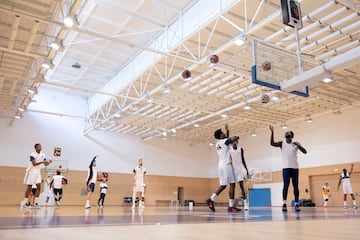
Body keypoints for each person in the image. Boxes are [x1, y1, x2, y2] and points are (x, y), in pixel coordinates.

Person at [269, 125, 307, 212]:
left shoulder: (295, 144)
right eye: (286, 137)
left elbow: (305, 152)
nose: (287, 138)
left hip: (295, 168)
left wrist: (298, 145)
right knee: (286, 185)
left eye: (289, 137)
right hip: (286, 168)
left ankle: (297, 204)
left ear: (292, 137)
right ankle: (284, 203)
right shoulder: (282, 144)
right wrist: (272, 132)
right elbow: (272, 143)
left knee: (295, 186)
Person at [206, 124, 240, 212]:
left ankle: (211, 199)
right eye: (222, 133)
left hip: (220, 165)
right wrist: (233, 139)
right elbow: (236, 137)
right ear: (220, 135)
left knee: (223, 185)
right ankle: (231, 206)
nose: (223, 133)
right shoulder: (225, 141)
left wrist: (228, 131)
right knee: (232, 184)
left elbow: (227, 140)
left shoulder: (218, 143)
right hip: (227, 165)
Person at [23, 143, 52, 208]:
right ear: (35, 148)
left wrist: (49, 162)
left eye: (40, 146)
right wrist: (42, 162)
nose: (40, 147)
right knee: (29, 188)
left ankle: (35, 203)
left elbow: (45, 164)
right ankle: (25, 203)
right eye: (38, 146)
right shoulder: (32, 154)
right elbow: (34, 164)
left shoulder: (43, 155)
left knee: (39, 187)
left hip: (38, 172)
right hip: (31, 172)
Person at [230, 139, 250, 210]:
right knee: (232, 187)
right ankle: (231, 205)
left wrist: (247, 170)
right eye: (233, 142)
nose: (234, 142)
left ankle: (245, 204)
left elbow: (243, 160)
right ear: (231, 143)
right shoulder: (229, 150)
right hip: (233, 171)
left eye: (235, 141)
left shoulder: (240, 149)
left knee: (242, 186)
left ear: (237, 142)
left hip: (240, 170)